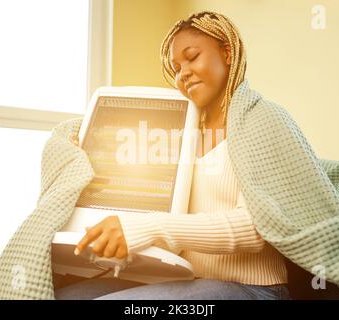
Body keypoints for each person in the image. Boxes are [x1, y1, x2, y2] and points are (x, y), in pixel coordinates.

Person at [54, 11, 291, 300]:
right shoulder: (185, 129)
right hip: (189, 278)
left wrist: (148, 228)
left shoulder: (262, 119)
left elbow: (254, 228)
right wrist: (86, 161)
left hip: (255, 290)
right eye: (177, 67)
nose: (184, 74)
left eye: (192, 57)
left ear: (227, 53)